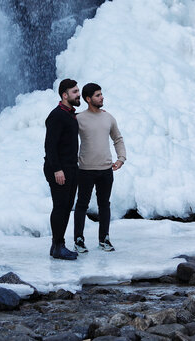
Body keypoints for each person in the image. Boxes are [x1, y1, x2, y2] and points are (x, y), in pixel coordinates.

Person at [73, 83, 126, 253]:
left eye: (101, 94)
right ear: (88, 99)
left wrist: (121, 158)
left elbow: (117, 138)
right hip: (85, 170)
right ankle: (78, 240)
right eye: (97, 95)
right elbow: (69, 141)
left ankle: (104, 239)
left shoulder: (108, 117)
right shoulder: (79, 118)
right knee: (82, 204)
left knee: (105, 205)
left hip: (105, 170)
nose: (102, 97)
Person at [44, 78, 81, 260]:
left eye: (78, 90)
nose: (78, 94)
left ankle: (56, 245)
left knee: (66, 207)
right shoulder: (57, 115)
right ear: (64, 95)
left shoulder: (70, 114)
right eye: (74, 92)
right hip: (59, 169)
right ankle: (59, 245)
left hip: (71, 167)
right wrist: (57, 169)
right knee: (60, 207)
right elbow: (50, 146)